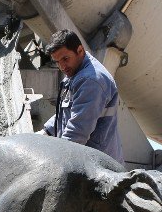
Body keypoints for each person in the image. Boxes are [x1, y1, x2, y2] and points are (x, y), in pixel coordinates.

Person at [41, 30, 124, 164]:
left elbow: (77, 131)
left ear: (80, 50)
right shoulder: (76, 72)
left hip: (99, 169)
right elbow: (66, 113)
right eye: (57, 62)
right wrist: (46, 132)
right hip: (86, 161)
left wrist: (57, 160)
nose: (62, 67)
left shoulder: (91, 80)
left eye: (65, 59)